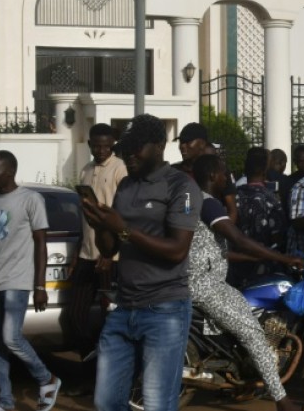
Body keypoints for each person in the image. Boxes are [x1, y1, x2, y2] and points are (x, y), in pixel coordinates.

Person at [83, 113, 203, 411]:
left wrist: (122, 227)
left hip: (164, 310)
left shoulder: (181, 187)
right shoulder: (126, 186)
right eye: (125, 147)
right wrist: (100, 225)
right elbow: (109, 249)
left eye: (137, 146)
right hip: (124, 306)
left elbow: (177, 250)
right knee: (106, 401)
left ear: (160, 145)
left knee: (156, 403)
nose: (129, 154)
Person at [190, 154, 304, 411]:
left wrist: (254, 256)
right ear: (212, 176)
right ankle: (281, 400)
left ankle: (240, 380)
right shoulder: (209, 205)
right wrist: (283, 257)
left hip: (199, 281)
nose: (228, 177)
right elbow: (238, 239)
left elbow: (217, 249)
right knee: (253, 333)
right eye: (224, 173)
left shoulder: (193, 201)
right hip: (207, 286)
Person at [0, 150, 62, 411]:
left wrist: (40, 286)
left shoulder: (30, 199)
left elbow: (41, 243)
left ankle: (47, 379)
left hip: (18, 280)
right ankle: (5, 401)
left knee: (11, 338)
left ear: (9, 173)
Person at [66, 123, 127, 394]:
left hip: (110, 258)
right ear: (89, 144)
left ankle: (108, 381)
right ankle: (90, 373)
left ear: (113, 143)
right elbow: (86, 218)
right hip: (86, 255)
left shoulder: (120, 169)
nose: (101, 150)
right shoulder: (86, 169)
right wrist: (78, 252)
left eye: (106, 145)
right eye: (96, 145)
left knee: (110, 322)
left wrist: (109, 252)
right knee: (76, 317)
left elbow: (121, 216)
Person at [231, 147, 289, 286]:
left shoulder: (234, 196)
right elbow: (279, 235)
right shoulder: (271, 199)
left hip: (237, 264)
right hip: (265, 264)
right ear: (265, 170)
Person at [173, 122, 237, 222]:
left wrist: (221, 233)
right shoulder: (173, 171)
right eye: (181, 142)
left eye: (188, 142)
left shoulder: (219, 172)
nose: (182, 146)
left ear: (202, 143)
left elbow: (232, 211)